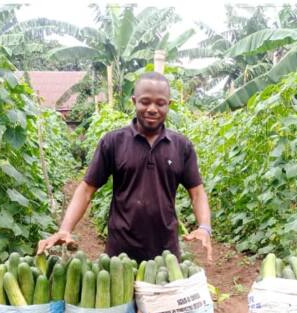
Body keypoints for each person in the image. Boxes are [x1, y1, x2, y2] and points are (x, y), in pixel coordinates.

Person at [37, 72, 213, 263]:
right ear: (134, 101)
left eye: (160, 103)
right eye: (145, 102)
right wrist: (65, 229)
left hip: (166, 253)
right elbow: (86, 190)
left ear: (168, 105)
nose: (152, 109)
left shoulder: (181, 146)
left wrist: (204, 227)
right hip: (120, 253)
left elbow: (197, 193)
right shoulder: (113, 142)